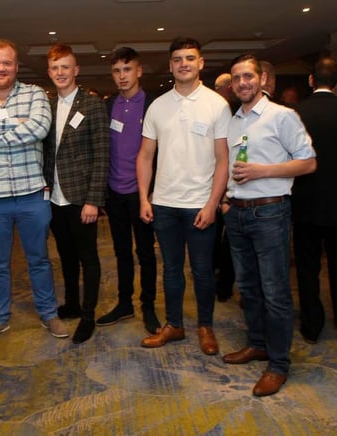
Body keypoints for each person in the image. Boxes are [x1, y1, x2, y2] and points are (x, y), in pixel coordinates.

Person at [0, 38, 68, 343]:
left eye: (7, 62)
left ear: (17, 66)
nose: (1, 68)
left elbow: (39, 128)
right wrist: (15, 125)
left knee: (39, 260)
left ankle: (49, 314)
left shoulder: (35, 94)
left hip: (32, 194)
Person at [221, 54, 316, 397]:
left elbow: (308, 163)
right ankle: (257, 344)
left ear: (261, 79)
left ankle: (278, 365)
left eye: (248, 76)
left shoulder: (282, 116)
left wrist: (263, 171)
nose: (242, 83)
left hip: (270, 213)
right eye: (236, 78)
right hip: (238, 213)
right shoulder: (232, 121)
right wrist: (226, 201)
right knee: (247, 288)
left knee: (275, 292)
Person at [136, 36, 230, 356]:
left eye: (190, 58)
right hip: (164, 204)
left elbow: (223, 160)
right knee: (171, 269)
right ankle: (174, 325)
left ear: (200, 63)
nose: (184, 64)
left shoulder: (217, 104)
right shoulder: (158, 106)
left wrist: (213, 203)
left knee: (203, 270)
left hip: (200, 206)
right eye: (178, 59)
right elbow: (145, 156)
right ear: (171, 65)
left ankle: (205, 327)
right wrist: (144, 199)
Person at [43, 44, 110, 344]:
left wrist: (94, 199)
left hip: (82, 199)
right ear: (50, 72)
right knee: (65, 256)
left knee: (88, 258)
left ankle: (87, 314)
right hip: (54, 198)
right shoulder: (46, 104)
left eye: (65, 67)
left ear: (76, 70)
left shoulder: (92, 104)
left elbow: (102, 155)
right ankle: (71, 303)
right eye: (55, 68)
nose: (60, 73)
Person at [95, 47, 160, 335]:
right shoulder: (108, 107)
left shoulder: (153, 106)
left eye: (127, 69)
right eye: (117, 71)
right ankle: (124, 303)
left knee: (145, 253)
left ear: (139, 71)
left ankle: (148, 305)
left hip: (142, 194)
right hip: (115, 192)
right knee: (121, 251)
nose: (122, 76)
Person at [292, 55, 337, 343]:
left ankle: (312, 324)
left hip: (305, 202)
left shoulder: (295, 113)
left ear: (311, 80)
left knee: (307, 268)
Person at [212, 74, 237, 302]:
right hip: (214, 187)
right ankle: (218, 280)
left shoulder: (237, 111)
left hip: (232, 190)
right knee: (214, 237)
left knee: (228, 240)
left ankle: (224, 284)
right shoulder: (217, 110)